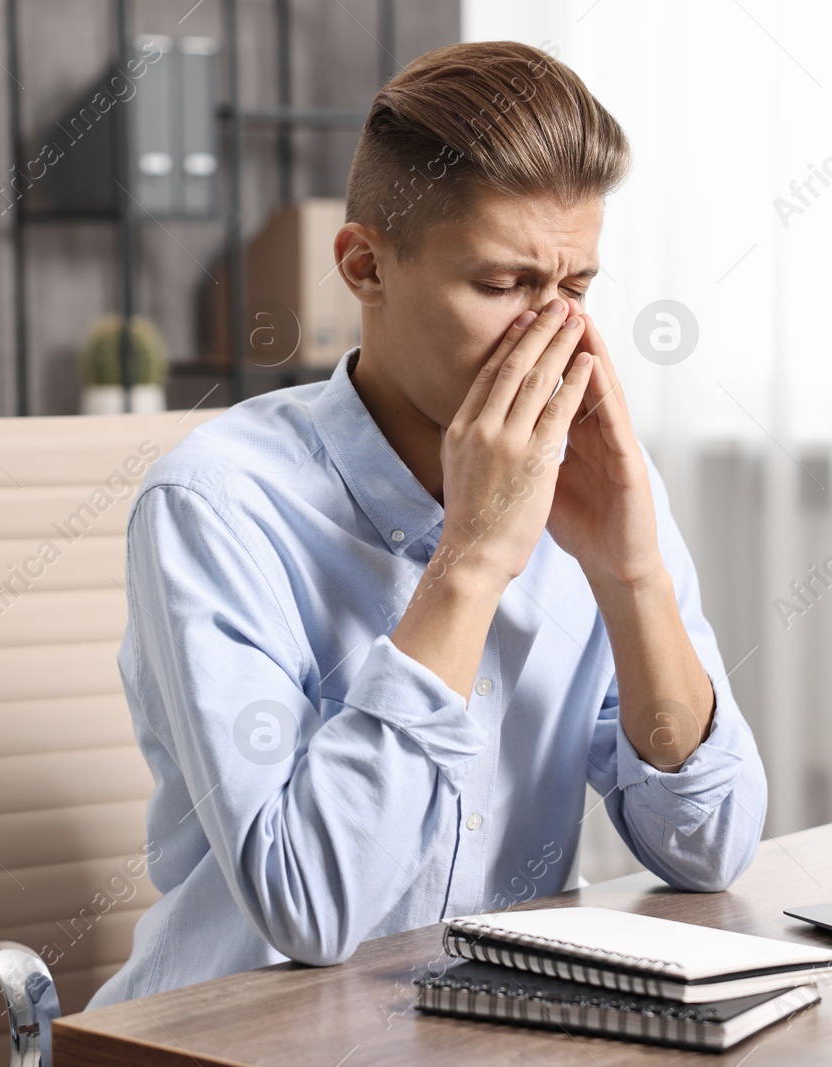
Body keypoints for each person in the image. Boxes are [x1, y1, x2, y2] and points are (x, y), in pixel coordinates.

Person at [87, 39, 767, 1008]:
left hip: (475, 1027)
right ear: (365, 267)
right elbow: (309, 909)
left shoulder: (598, 487)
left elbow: (709, 845)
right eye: (501, 285)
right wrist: (472, 563)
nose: (553, 334)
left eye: (574, 288)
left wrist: (631, 573)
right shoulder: (216, 505)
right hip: (228, 1035)